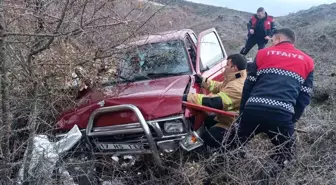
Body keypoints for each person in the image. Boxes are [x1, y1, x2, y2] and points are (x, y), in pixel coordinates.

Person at [228, 28, 314, 177]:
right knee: (287, 151)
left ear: (278, 39)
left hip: (253, 109)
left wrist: (243, 113)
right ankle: (264, 179)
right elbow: (304, 97)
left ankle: (220, 171)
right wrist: (292, 119)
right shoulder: (308, 61)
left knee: (232, 143)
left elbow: (249, 85)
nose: (271, 43)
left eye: (272, 40)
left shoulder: (262, 53)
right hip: (282, 115)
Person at [182, 54, 247, 148]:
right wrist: (203, 81)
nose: (225, 66)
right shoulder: (236, 77)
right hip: (227, 118)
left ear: (234, 68)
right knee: (207, 121)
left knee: (209, 137)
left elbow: (215, 102)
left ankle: (222, 152)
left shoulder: (238, 86)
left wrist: (187, 97)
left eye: (227, 64)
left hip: (233, 124)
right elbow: (220, 87)